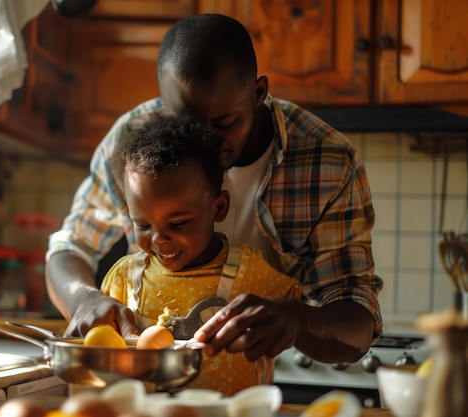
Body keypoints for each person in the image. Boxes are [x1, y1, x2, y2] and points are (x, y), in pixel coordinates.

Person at [46, 13, 383, 367]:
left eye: (224, 123)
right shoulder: (132, 144)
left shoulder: (328, 161)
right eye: (186, 123)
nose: (205, 141)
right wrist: (83, 298)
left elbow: (357, 314)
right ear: (163, 105)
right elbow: (70, 247)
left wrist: (298, 320)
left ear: (258, 94)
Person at [101, 114, 302, 394]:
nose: (158, 238)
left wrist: (293, 320)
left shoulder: (251, 272)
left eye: (178, 223)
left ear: (218, 208)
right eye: (143, 225)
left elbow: (298, 314)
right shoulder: (123, 278)